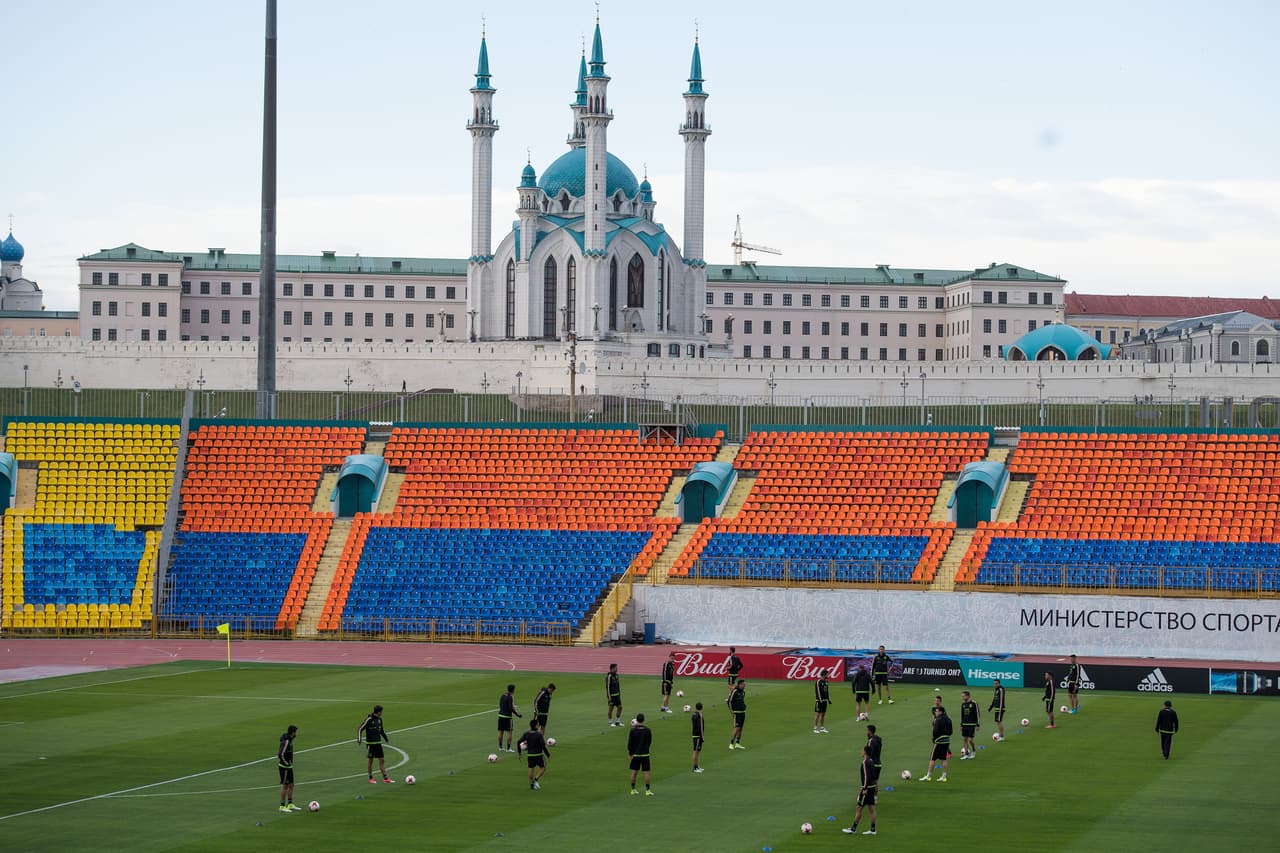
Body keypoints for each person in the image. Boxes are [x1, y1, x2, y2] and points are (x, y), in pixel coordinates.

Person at [842, 746, 878, 836]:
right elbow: (874, 776)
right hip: (872, 787)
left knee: (859, 808)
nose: (861, 752)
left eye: (862, 750)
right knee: (872, 809)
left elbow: (867, 776)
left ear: (865, 752)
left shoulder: (865, 762)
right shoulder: (871, 761)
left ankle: (853, 829)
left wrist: (864, 788)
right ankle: (873, 830)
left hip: (867, 788)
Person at [357, 705, 393, 783]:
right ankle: (371, 778)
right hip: (370, 744)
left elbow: (381, 730)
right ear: (379, 712)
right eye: (381, 712)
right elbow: (360, 728)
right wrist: (359, 739)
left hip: (378, 743)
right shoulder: (369, 719)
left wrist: (386, 738)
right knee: (370, 761)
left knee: (382, 760)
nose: (382, 713)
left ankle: (385, 778)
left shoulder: (380, 719)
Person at [517, 719, 551, 789]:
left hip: (530, 755)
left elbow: (518, 741)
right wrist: (548, 755)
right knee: (543, 768)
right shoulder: (539, 734)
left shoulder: (526, 733)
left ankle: (531, 785)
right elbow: (543, 746)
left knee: (531, 769)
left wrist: (519, 753)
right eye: (538, 724)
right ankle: (535, 780)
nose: (538, 725)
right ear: (536, 726)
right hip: (538, 755)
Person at [921, 705, 952, 782]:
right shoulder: (948, 719)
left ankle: (928, 776)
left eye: (937, 711)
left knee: (933, 758)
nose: (935, 712)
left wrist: (934, 739)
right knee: (943, 759)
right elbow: (951, 731)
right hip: (947, 740)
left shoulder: (937, 720)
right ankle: (944, 776)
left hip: (939, 741)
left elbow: (935, 731)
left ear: (941, 712)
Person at [628, 712, 654, 795]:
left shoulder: (632, 730)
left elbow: (630, 743)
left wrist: (630, 754)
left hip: (635, 755)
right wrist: (646, 748)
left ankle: (633, 789)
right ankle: (647, 791)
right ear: (644, 720)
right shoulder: (647, 730)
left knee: (634, 772)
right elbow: (649, 741)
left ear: (637, 720)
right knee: (646, 772)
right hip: (645, 754)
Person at [277, 724, 300, 812]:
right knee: (285, 786)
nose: (296, 734)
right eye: (295, 732)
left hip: (289, 766)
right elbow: (280, 754)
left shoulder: (290, 740)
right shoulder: (286, 741)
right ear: (292, 732)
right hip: (284, 767)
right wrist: (286, 763)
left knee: (291, 785)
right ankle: (282, 806)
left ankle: (290, 804)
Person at [498, 685, 522, 751]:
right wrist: (517, 714)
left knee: (501, 732)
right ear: (513, 690)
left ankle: (500, 747)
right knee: (509, 732)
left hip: (500, 715)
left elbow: (500, 704)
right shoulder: (510, 697)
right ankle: (508, 748)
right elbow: (511, 708)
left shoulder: (503, 695)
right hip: (507, 717)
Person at [958, 690, 980, 759]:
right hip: (965, 724)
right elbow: (962, 715)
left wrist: (977, 724)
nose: (962, 697)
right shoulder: (963, 704)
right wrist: (961, 724)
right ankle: (966, 754)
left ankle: (973, 751)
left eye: (963, 696)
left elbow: (977, 714)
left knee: (970, 740)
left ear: (967, 696)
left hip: (972, 724)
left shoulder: (974, 703)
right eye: (962, 696)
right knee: (965, 739)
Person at [727, 678, 747, 749]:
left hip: (742, 712)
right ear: (739, 684)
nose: (744, 686)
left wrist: (744, 706)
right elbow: (729, 701)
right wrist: (732, 711)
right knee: (736, 727)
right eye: (743, 685)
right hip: (736, 713)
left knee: (741, 728)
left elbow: (742, 701)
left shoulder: (743, 692)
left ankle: (738, 743)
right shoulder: (735, 691)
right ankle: (731, 743)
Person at [813, 668, 832, 733]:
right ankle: (815, 728)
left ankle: (822, 727)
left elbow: (827, 691)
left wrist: (829, 699)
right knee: (817, 714)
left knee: (823, 714)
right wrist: (820, 699)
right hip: (819, 701)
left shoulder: (826, 682)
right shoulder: (818, 681)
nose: (828, 675)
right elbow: (817, 691)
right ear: (824, 674)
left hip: (825, 701)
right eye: (827, 674)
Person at [691, 701, 705, 773]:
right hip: (698, 736)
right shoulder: (699, 715)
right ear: (701, 708)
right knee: (696, 752)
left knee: (696, 752)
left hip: (695, 735)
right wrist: (702, 737)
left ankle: (696, 766)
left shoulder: (694, 714)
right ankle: (694, 767)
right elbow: (701, 727)